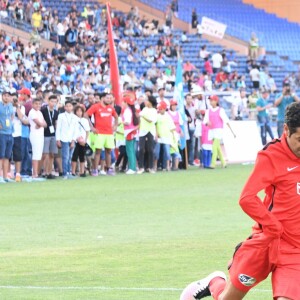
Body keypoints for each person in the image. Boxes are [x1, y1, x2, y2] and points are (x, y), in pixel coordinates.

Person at [180, 101, 300, 300]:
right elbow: (247, 198)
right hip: (266, 243)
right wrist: (273, 226)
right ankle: (214, 282)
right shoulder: (271, 156)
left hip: (294, 249)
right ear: (286, 130)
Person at [85, 93, 118, 176]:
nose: (109, 100)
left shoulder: (111, 108)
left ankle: (109, 169)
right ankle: (95, 170)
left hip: (109, 133)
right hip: (99, 133)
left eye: (110, 98)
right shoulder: (96, 106)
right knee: (98, 152)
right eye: (107, 98)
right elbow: (86, 115)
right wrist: (92, 127)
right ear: (102, 98)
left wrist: (115, 125)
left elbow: (116, 117)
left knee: (108, 151)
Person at [203, 95, 236, 169]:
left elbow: (226, 120)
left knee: (214, 147)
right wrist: (207, 122)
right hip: (211, 131)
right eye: (210, 100)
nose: (211, 102)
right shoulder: (208, 111)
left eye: (212, 100)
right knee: (217, 147)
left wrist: (232, 131)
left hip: (218, 130)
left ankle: (213, 164)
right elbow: (205, 121)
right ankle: (223, 163)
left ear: (216, 101)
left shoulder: (220, 110)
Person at [56, 100, 78, 179]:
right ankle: (65, 173)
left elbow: (75, 130)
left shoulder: (75, 117)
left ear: (72, 107)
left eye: (70, 106)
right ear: (65, 107)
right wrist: (58, 139)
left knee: (70, 157)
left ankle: (69, 172)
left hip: (71, 139)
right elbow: (58, 128)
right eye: (67, 106)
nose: (68, 108)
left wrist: (73, 140)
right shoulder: (61, 116)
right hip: (63, 138)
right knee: (65, 156)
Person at [28, 98, 47, 180]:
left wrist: (41, 124)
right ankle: (34, 173)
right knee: (35, 154)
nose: (38, 105)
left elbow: (45, 124)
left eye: (39, 104)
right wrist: (40, 124)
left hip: (40, 135)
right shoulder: (32, 112)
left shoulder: (39, 112)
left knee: (39, 154)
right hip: (35, 135)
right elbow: (39, 123)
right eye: (36, 104)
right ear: (32, 104)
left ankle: (36, 172)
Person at [138, 95, 157, 174]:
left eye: (147, 100)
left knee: (150, 149)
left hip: (150, 131)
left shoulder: (154, 111)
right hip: (142, 131)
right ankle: (141, 167)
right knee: (141, 149)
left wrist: (143, 116)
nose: (145, 102)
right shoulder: (144, 109)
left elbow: (151, 120)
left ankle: (151, 167)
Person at [41, 95, 59, 179]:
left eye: (55, 102)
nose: (53, 103)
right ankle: (44, 171)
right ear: (48, 101)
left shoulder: (56, 112)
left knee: (52, 154)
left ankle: (49, 171)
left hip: (53, 135)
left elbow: (56, 123)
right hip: (45, 134)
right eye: (52, 101)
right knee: (45, 154)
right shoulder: (43, 110)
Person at [122, 96, 139, 175]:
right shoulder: (132, 110)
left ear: (126, 103)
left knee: (130, 150)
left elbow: (127, 122)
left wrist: (120, 122)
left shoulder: (127, 111)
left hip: (129, 131)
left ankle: (132, 168)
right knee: (132, 150)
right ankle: (133, 167)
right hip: (133, 131)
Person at [71, 105, 90, 177]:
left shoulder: (85, 120)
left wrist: (85, 140)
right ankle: (73, 171)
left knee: (82, 156)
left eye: (80, 111)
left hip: (83, 141)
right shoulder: (73, 119)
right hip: (75, 140)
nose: (79, 112)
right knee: (74, 156)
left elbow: (87, 131)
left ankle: (82, 171)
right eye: (77, 111)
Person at [0, 90, 14, 183]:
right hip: (2, 133)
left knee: (7, 157)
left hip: (10, 133)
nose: (6, 97)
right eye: (4, 95)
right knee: (1, 156)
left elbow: (12, 116)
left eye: (8, 96)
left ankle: (5, 176)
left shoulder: (11, 106)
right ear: (2, 97)